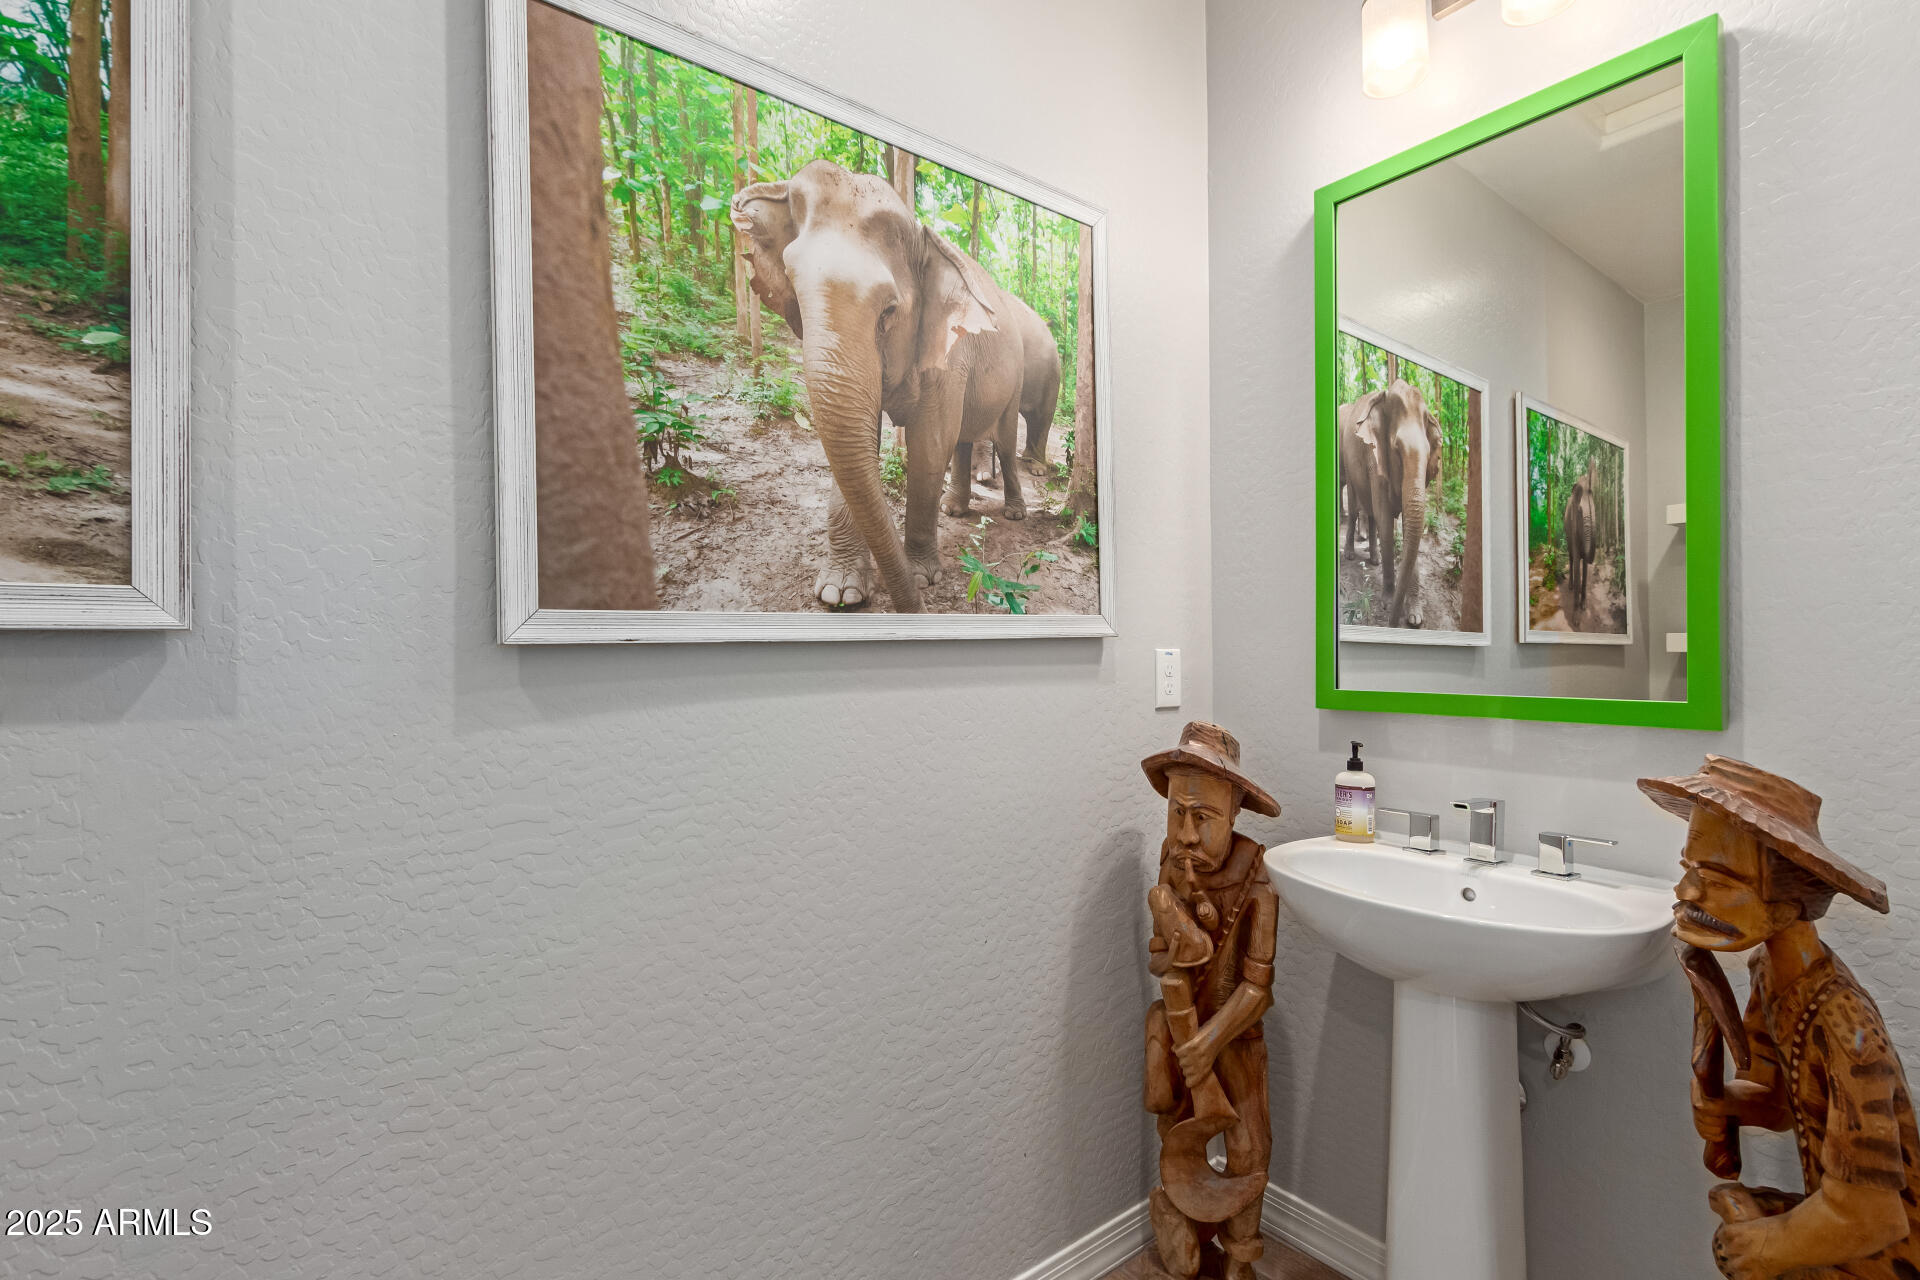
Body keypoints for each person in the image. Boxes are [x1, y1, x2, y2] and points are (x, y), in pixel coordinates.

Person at [1642, 755, 1918, 1280]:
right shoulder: (1769, 969)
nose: (1686, 894)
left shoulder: (1846, 1027)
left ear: (1794, 901)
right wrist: (1725, 1103)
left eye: (1719, 880)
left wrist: (1766, 1247)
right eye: (1690, 869)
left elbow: (1874, 1215)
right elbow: (1777, 1104)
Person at [1140, 723, 1280, 1280]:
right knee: (1170, 1116)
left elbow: (1258, 986)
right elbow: (1161, 954)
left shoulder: (1258, 879)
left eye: (1203, 818)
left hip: (1233, 1035)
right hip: (1180, 1026)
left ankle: (1240, 1262)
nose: (1186, 835)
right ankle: (1181, 1211)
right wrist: (1167, 948)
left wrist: (1211, 1040)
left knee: (1248, 1147)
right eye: (1177, 813)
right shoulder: (1172, 864)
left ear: (1234, 814)